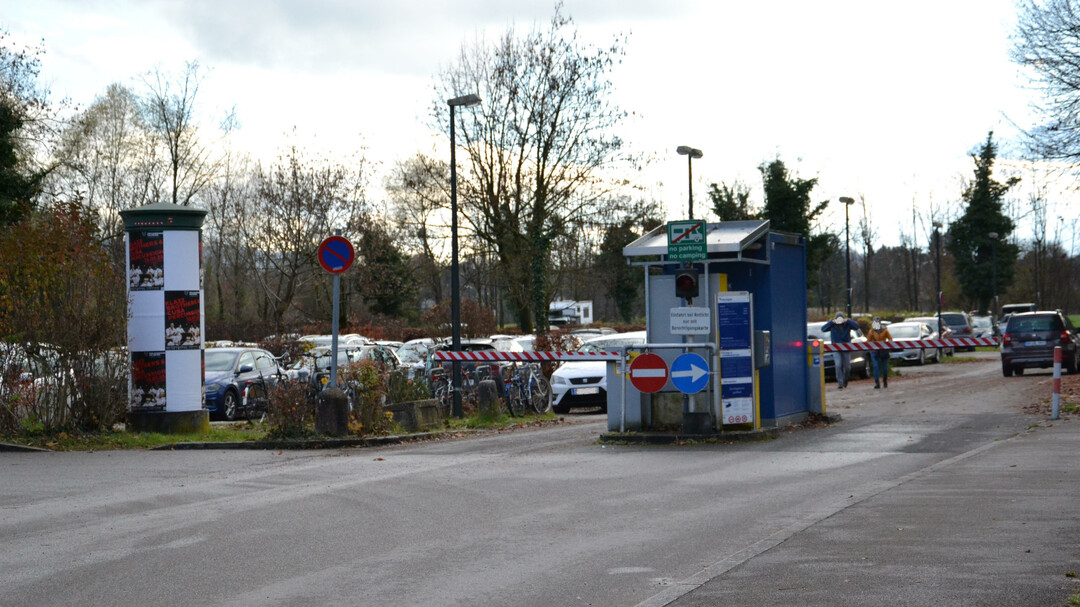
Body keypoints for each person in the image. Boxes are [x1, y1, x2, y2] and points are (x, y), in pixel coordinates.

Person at [821, 311, 860, 389]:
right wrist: (831, 322)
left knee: (847, 367)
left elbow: (856, 327)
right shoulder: (832, 325)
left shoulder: (847, 324)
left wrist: (848, 320)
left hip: (846, 348)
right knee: (838, 365)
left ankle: (845, 380)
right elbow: (823, 329)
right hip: (836, 348)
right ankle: (840, 383)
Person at [866, 316, 893, 389]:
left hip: (883, 351)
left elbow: (890, 339)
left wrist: (887, 346)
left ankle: (885, 380)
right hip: (874, 351)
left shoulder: (885, 330)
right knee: (875, 366)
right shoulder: (871, 331)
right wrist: (871, 348)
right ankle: (877, 382)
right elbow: (868, 341)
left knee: (884, 367)